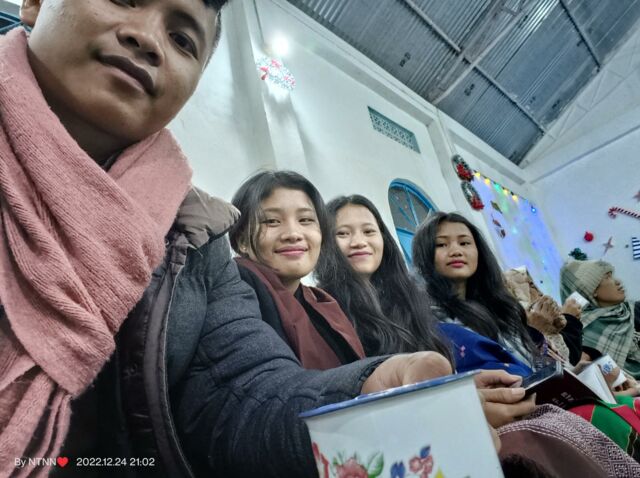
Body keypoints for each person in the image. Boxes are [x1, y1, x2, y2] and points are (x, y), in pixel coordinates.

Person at [0, 2, 454, 476]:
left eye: (182, 40)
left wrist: (363, 396)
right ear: (33, 3)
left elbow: (242, 387)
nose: (147, 39)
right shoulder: (236, 267)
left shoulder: (195, 240)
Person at [317, 197, 640, 476]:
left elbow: (525, 363)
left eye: (369, 231)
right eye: (343, 233)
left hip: (509, 399)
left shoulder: (413, 308)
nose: (358, 241)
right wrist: (466, 405)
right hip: (430, 429)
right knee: (580, 425)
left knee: (620, 409)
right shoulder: (344, 312)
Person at [412, 212, 640, 461]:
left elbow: (540, 365)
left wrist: (588, 383)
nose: (456, 250)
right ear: (424, 254)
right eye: (441, 244)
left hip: (547, 398)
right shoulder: (427, 321)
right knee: (606, 419)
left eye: (465, 242)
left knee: (628, 407)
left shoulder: (501, 309)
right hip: (506, 417)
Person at [228, 171, 366, 369]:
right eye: (271, 221)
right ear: (241, 239)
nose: (293, 234)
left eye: (305, 220)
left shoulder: (321, 302)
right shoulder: (231, 299)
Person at [560, 260, 640, 379]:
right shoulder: (581, 329)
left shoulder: (634, 310)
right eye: (607, 277)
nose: (618, 281)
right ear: (592, 290)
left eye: (612, 276)